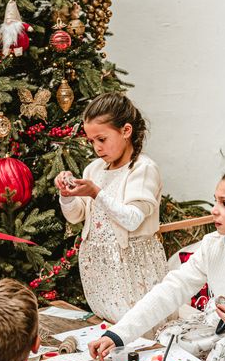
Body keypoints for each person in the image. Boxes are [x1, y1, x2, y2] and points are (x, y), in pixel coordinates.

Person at [88, 167, 225, 361]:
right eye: (215, 201)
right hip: (220, 331)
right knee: (170, 339)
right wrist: (118, 335)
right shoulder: (212, 246)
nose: (214, 210)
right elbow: (171, 290)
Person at [54, 92, 168, 324]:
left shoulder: (142, 169)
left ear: (126, 131)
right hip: (99, 266)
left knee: (138, 326)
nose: (96, 147)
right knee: (109, 326)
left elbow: (132, 219)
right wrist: (67, 196)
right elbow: (76, 216)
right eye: (91, 141)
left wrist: (96, 192)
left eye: (102, 139)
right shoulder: (94, 170)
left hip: (132, 267)